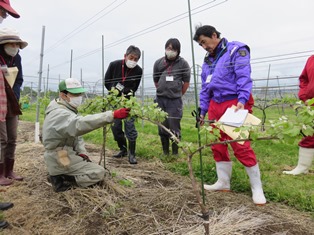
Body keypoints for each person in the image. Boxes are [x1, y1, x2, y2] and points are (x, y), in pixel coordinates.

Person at [193, 25, 266, 205]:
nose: (204, 46)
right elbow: (205, 88)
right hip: (215, 104)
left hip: (234, 103)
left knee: (240, 145)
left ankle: (257, 188)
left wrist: (242, 99)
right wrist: (202, 111)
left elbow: (243, 76)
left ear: (214, 35)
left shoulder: (235, 50)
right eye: (200, 45)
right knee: (217, 143)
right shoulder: (208, 60)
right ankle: (223, 182)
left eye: (204, 42)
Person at [42, 78, 130, 192]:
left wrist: (82, 152)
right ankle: (60, 178)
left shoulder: (64, 107)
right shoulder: (59, 113)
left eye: (80, 93)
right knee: (98, 173)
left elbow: (77, 136)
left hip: (64, 152)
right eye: (75, 94)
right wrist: (111, 115)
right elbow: (79, 124)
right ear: (63, 95)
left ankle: (59, 173)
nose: (79, 97)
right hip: (59, 156)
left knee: (93, 168)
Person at [104, 45, 142, 164]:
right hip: (114, 100)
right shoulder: (114, 65)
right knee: (116, 127)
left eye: (136, 59)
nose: (133, 61)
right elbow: (107, 81)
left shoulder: (138, 71)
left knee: (130, 126)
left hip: (128, 102)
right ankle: (123, 149)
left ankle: (132, 153)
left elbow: (134, 88)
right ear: (125, 56)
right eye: (131, 58)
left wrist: (123, 91)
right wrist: (114, 90)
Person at [153, 38, 190, 155]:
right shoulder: (158, 63)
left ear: (178, 51)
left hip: (174, 101)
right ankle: (165, 152)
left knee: (174, 126)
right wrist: (162, 90)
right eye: (169, 48)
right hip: (160, 99)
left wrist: (177, 94)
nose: (171, 51)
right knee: (162, 125)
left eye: (173, 49)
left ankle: (175, 153)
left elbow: (186, 83)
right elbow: (156, 80)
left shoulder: (183, 64)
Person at [0, 28, 27, 185]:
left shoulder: (17, 58)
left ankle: (9, 170)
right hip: (0, 100)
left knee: (12, 137)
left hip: (11, 101)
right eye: (12, 44)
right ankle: (1, 172)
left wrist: (14, 94)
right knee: (2, 139)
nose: (15, 47)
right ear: (3, 44)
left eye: (17, 44)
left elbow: (19, 79)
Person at [283, 55, 314, 175]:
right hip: (311, 105)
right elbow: (304, 79)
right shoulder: (311, 59)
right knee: (309, 134)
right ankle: (302, 168)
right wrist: (305, 96)